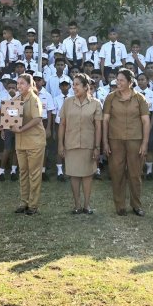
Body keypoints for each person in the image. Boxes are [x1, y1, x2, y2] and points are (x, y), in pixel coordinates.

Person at [102, 68, 150, 216]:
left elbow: (146, 122)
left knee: (135, 174)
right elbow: (105, 121)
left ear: (130, 82)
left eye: (122, 80)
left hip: (135, 140)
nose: (118, 82)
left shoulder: (139, 98)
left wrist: (144, 143)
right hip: (115, 140)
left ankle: (136, 205)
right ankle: (120, 206)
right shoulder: (111, 97)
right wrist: (105, 142)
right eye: (117, 80)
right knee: (117, 173)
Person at [58, 73, 102, 214]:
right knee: (74, 175)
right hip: (71, 144)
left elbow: (98, 128)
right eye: (73, 84)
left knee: (88, 176)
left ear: (85, 87)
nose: (73, 87)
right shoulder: (68, 102)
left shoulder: (96, 103)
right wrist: (60, 144)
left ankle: (86, 205)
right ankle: (77, 205)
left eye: (77, 84)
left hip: (88, 145)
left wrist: (97, 147)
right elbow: (62, 125)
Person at [6, 74, 47, 215]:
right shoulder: (15, 99)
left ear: (30, 85)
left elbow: (37, 119)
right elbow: (10, 118)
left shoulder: (35, 99)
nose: (19, 86)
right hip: (21, 141)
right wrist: (6, 125)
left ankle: (33, 205)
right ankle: (24, 202)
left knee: (34, 174)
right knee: (23, 172)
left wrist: (21, 129)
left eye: (22, 83)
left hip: (35, 141)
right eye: (18, 83)